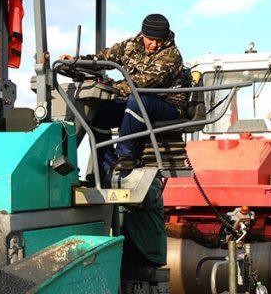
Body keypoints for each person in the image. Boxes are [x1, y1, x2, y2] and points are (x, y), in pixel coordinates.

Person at [70, 13, 186, 177]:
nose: (154, 45)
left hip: (168, 105)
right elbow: (104, 58)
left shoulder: (171, 56)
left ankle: (127, 155)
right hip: (137, 101)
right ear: (143, 34)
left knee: (137, 100)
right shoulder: (130, 46)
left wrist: (110, 86)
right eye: (150, 39)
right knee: (99, 115)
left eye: (159, 41)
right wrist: (76, 62)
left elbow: (142, 83)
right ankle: (107, 167)